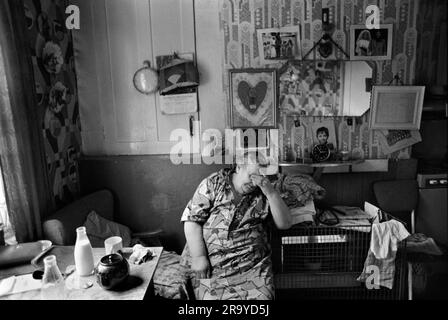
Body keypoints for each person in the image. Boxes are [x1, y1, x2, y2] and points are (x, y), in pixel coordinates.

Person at [180, 152, 292, 300]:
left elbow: (285, 224)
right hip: (213, 268)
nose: (254, 183)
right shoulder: (214, 183)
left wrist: (270, 192)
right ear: (239, 167)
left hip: (253, 269)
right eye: (251, 176)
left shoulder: (264, 190)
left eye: (260, 178)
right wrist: (199, 257)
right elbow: (191, 221)